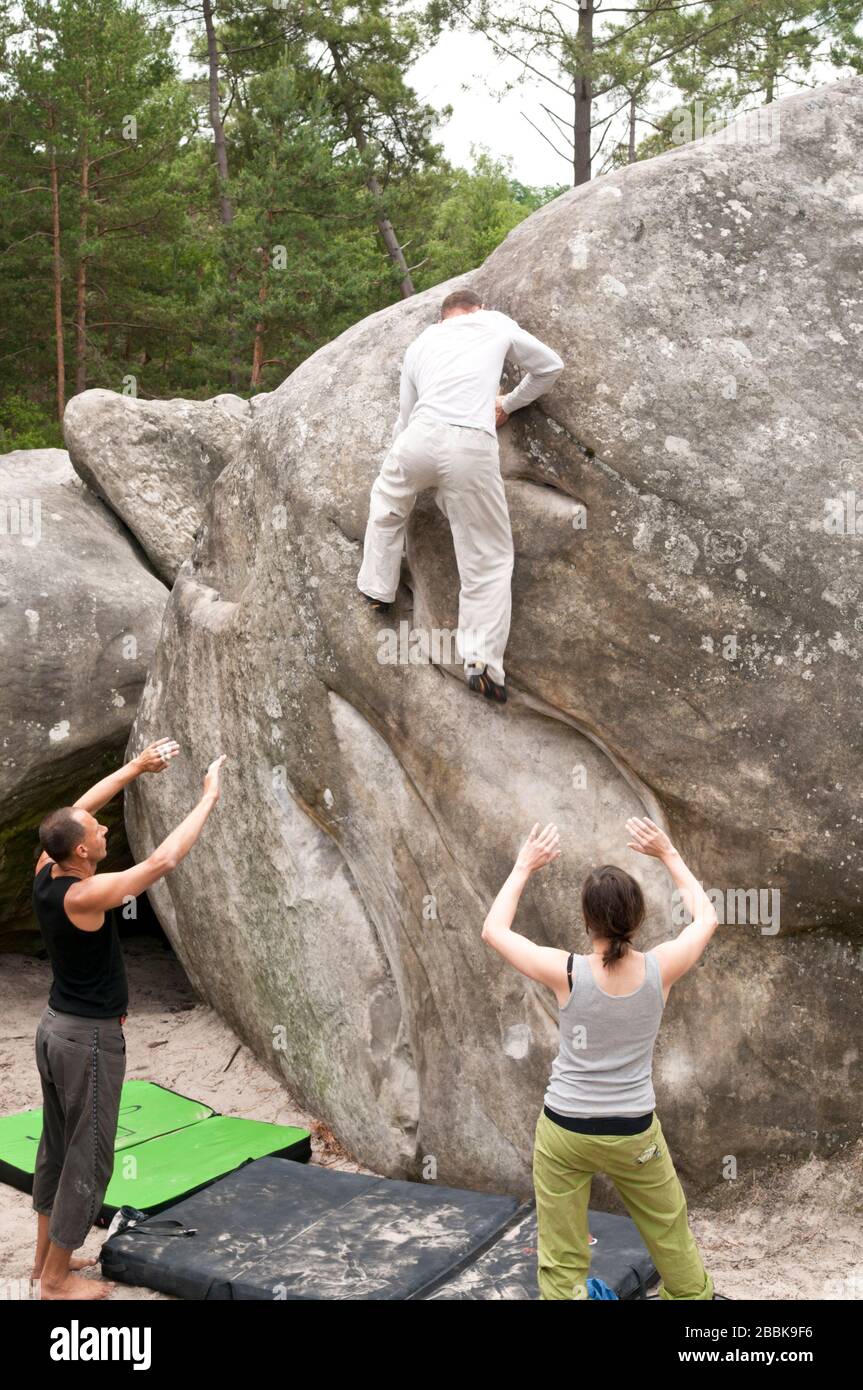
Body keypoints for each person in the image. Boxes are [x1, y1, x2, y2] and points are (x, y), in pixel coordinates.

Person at [481, 816, 719, 1300]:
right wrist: (668, 853)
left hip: (566, 1130)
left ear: (587, 922)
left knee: (563, 1252)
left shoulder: (565, 971)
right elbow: (708, 918)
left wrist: (524, 865)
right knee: (669, 1232)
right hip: (632, 1131)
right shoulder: (661, 968)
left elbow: (493, 929)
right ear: (637, 921)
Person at [29, 738, 226, 1300]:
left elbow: (77, 810)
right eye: (97, 833)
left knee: (55, 1151)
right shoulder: (86, 895)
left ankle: (47, 1262)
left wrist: (136, 767)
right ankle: (57, 1282)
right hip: (87, 1041)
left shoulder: (47, 866)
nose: (104, 831)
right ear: (82, 854)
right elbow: (163, 861)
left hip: (53, 1030)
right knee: (89, 1161)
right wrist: (208, 797)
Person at [357, 287, 564, 704]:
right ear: (478, 309)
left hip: (419, 436)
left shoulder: (421, 342)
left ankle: (378, 589)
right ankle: (482, 662)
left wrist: (402, 458)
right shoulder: (495, 322)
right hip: (470, 442)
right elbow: (550, 367)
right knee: (486, 555)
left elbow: (405, 414)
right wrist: (508, 403)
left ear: (441, 318)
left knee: (387, 504)